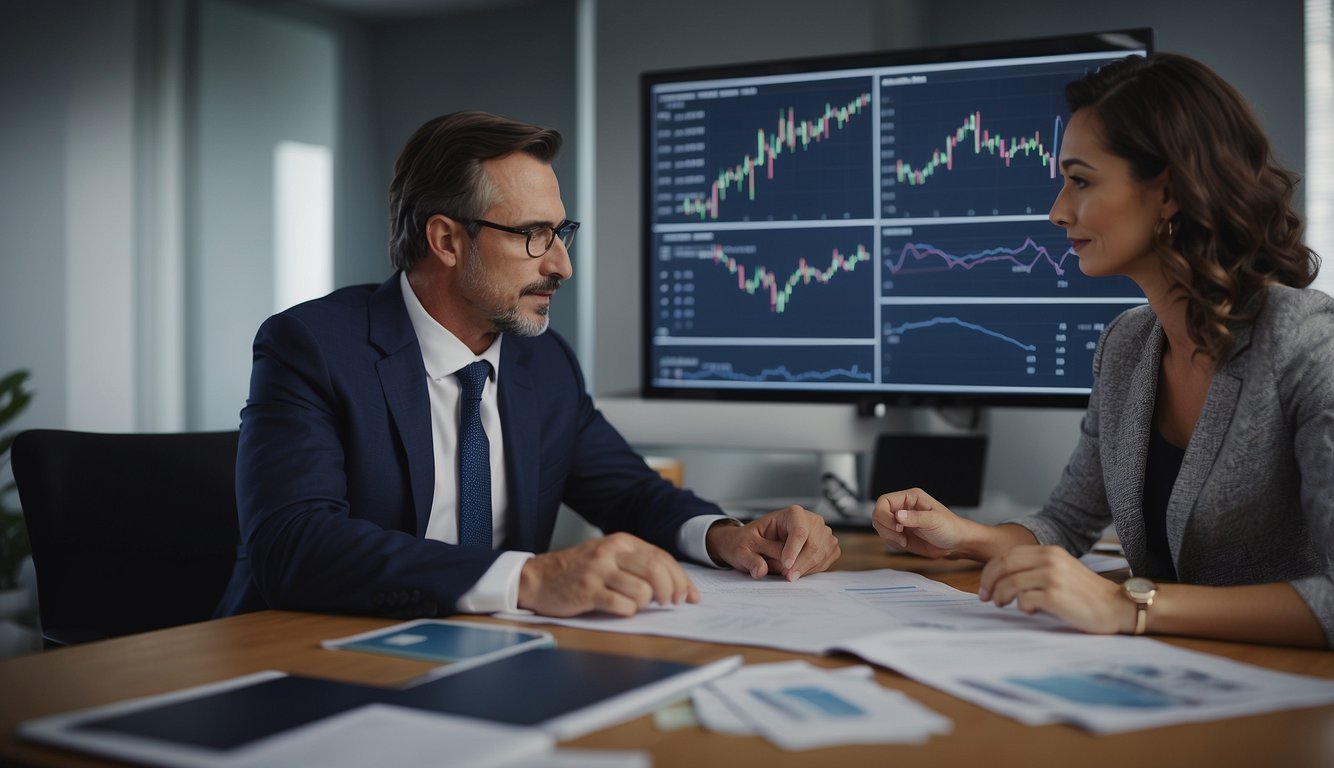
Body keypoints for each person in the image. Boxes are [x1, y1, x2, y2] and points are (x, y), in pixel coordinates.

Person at [216, 111, 840, 620]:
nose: (562, 265)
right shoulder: (311, 347)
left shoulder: (543, 362)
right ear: (447, 240)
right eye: (533, 236)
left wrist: (725, 535)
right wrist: (530, 577)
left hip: (490, 657)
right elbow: (292, 545)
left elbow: (629, 491)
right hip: (300, 659)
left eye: (561, 232)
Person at [872, 53, 1334, 648]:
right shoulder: (1128, 345)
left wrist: (1127, 605)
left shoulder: (1305, 343)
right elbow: (1065, 524)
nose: (1058, 210)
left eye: (1081, 181)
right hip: (1171, 671)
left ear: (1168, 192)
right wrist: (962, 535)